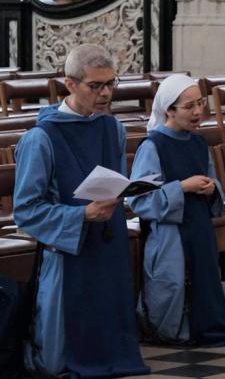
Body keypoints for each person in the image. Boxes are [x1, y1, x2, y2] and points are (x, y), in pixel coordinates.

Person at [14, 44, 150, 377]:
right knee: (61, 359)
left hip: (108, 240)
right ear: (70, 84)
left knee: (114, 340)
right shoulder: (40, 138)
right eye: (95, 86)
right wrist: (81, 215)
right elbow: (26, 210)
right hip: (68, 249)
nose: (106, 94)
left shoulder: (112, 128)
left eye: (110, 84)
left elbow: (115, 181)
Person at [127, 75, 225, 346]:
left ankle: (207, 325)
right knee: (174, 284)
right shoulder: (153, 146)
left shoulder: (199, 143)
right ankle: (173, 329)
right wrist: (181, 187)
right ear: (169, 110)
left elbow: (215, 185)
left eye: (201, 103)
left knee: (204, 279)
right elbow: (139, 200)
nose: (198, 112)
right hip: (170, 232)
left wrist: (212, 190)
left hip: (199, 226)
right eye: (189, 106)